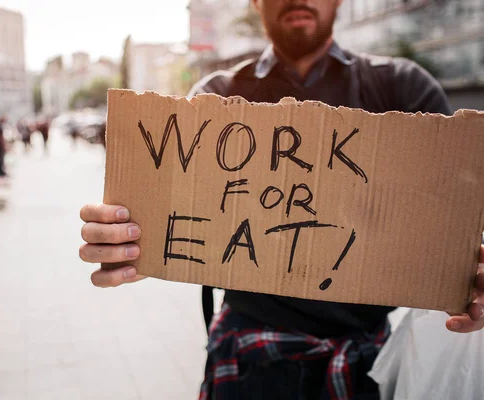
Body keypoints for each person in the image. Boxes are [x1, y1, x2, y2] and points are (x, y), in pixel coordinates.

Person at [79, 1, 484, 398]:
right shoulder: (217, 97)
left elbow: (453, 217)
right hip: (248, 361)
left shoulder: (404, 87)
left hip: (367, 363)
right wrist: (130, 238)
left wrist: (469, 275)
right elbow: (168, 213)